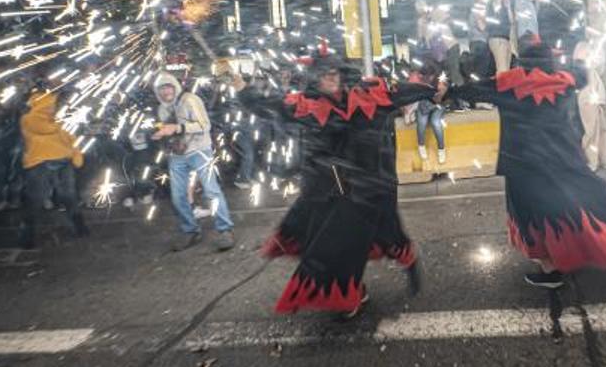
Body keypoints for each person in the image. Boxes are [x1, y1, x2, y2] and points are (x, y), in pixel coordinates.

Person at [233, 54, 439, 316]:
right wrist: (242, 88)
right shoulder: (305, 106)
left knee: (391, 236)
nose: (330, 78)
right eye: (323, 75)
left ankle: (409, 263)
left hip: (374, 187)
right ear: (315, 80)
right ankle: (352, 293)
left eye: (334, 73)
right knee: (337, 244)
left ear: (342, 75)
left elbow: (402, 92)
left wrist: (435, 91)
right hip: (331, 191)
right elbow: (268, 106)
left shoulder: (370, 95)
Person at [452, 41, 606, 288]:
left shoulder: (507, 84)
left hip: (525, 166)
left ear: (522, 61)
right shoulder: (565, 81)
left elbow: (469, 90)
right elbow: (582, 73)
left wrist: (442, 91)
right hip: (563, 160)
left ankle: (551, 272)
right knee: (571, 206)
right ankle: (573, 256)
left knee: (532, 217)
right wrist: (579, 58)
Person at [153, 72, 235, 252]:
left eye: (168, 87)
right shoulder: (161, 109)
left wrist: (178, 127)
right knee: (178, 196)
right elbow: (170, 132)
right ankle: (190, 230)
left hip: (200, 151)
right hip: (177, 155)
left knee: (211, 190)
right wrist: (162, 135)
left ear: (175, 86)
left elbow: (205, 125)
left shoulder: (190, 100)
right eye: (161, 89)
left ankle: (225, 230)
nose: (166, 91)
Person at [18, 88, 89, 249]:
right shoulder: (28, 119)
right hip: (39, 164)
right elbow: (45, 129)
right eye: (50, 103)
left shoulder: (57, 120)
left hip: (63, 163)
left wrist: (76, 154)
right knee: (36, 200)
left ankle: (80, 228)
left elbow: (70, 139)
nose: (53, 106)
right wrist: (63, 121)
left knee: (69, 196)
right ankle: (26, 236)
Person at [573, 36, 606, 170]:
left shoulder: (593, 57)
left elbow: (600, 66)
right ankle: (590, 161)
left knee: (602, 129)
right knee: (591, 131)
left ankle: (603, 159)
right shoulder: (580, 57)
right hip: (587, 98)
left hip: (597, 98)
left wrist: (599, 47)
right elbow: (586, 65)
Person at [487, 0, 515, 73]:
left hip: (506, 39)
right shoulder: (492, 4)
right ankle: (502, 85)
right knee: (502, 68)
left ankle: (505, 84)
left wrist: (508, 7)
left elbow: (512, 21)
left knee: (506, 69)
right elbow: (495, 14)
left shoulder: (505, 7)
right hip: (497, 38)